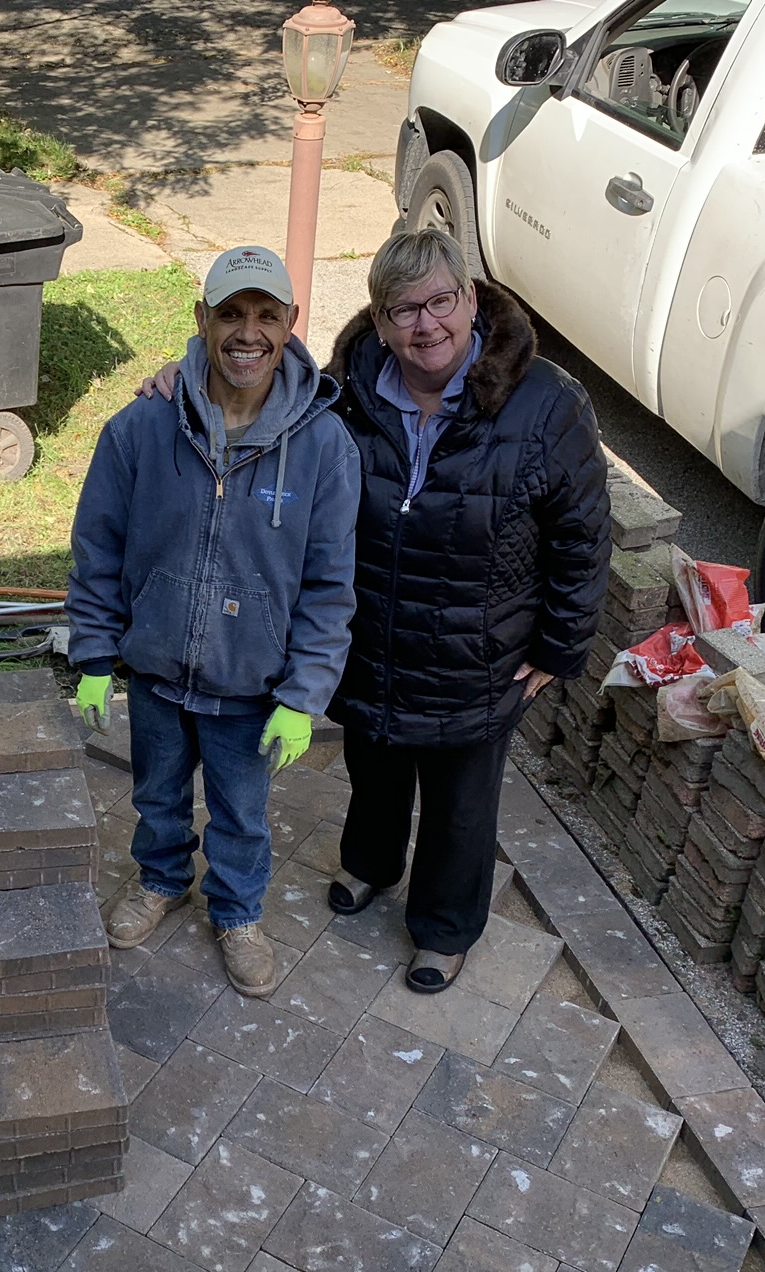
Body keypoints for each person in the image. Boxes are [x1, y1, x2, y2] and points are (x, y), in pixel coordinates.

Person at [66, 245, 360, 997]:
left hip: (250, 685)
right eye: (230, 312)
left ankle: (237, 912)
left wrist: (304, 696)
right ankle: (162, 880)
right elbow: (98, 546)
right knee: (156, 795)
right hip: (160, 671)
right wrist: (96, 654)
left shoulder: (325, 446)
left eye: (266, 315)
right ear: (201, 320)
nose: (247, 332)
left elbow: (330, 585)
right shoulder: (140, 428)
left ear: (292, 325)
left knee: (242, 814)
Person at [324, 229, 609, 992]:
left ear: (471, 299)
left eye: (440, 301)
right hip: (371, 639)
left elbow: (583, 538)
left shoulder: (547, 403)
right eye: (403, 310)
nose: (426, 325)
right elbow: (245, 389)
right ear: (379, 323)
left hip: (477, 654)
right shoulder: (344, 392)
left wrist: (558, 649)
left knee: (460, 807)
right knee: (373, 769)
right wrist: (175, 374)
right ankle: (370, 865)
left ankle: (444, 929)